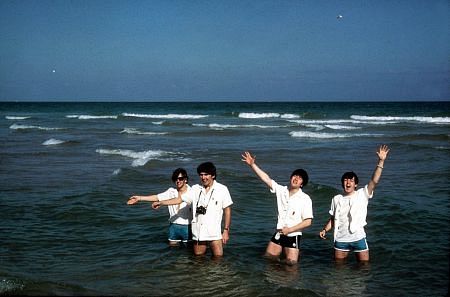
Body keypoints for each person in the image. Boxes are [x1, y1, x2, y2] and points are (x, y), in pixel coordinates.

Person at [319, 144, 390, 263]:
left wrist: (381, 162)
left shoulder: (363, 193)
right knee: (338, 269)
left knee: (364, 268)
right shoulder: (337, 198)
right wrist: (325, 230)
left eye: (351, 181)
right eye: (345, 180)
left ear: (355, 184)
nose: (348, 183)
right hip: (341, 239)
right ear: (342, 183)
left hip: (358, 237)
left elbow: (374, 181)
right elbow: (333, 218)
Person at [241, 151, 313, 265]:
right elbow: (266, 179)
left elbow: (308, 221)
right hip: (279, 233)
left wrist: (290, 230)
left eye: (299, 178)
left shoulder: (305, 198)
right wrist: (252, 165)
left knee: (291, 267)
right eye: (294, 176)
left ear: (302, 184)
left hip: (293, 235)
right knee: (268, 259)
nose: (296, 179)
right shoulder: (282, 190)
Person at [152, 162, 233, 258]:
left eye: (206, 174)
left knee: (218, 260)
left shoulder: (222, 189)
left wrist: (226, 230)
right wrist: (161, 203)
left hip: (214, 233)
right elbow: (179, 199)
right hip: (198, 233)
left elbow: (227, 210)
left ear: (213, 175)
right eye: (201, 175)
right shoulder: (195, 189)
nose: (203, 177)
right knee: (198, 260)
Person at [127, 168, 192, 247]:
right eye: (175, 179)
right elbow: (157, 197)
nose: (178, 181)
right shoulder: (171, 191)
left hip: (187, 227)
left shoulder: (192, 192)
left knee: (188, 252)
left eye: (180, 178)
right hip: (173, 227)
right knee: (173, 253)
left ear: (185, 179)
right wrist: (139, 198)